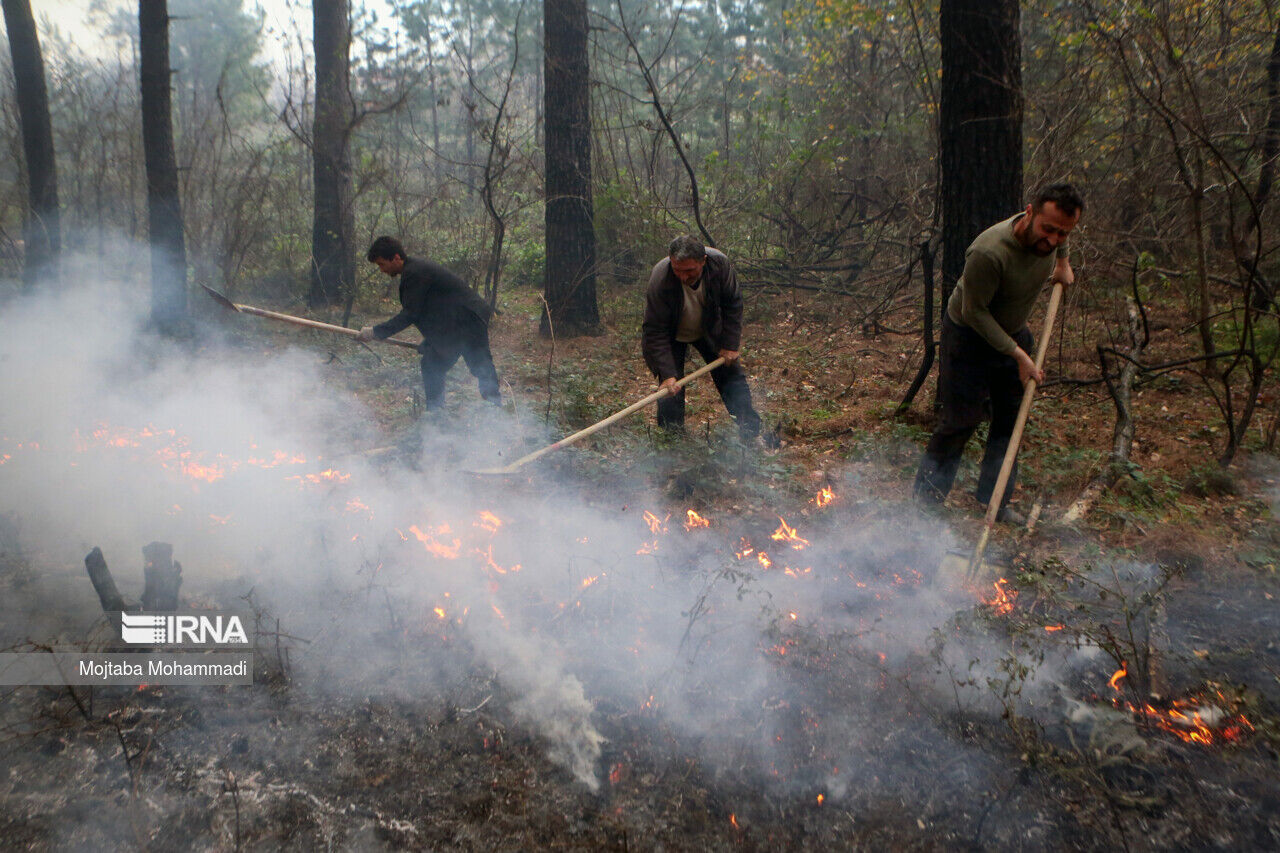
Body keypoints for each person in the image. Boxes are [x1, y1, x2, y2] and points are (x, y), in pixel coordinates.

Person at [912, 184, 1084, 522]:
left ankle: (995, 500)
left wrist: (1063, 261)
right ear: (1029, 213)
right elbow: (974, 312)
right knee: (960, 421)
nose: (1052, 239)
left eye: (1062, 233)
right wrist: (1018, 356)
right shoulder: (989, 253)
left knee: (1009, 421)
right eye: (1047, 229)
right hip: (968, 337)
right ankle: (926, 505)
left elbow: (1060, 238)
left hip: (1013, 334)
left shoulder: (1055, 239)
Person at [641, 235, 770, 444]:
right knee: (670, 390)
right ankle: (671, 442)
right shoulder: (660, 278)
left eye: (689, 271)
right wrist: (666, 373)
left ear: (703, 261)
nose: (683, 277)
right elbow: (655, 330)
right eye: (677, 270)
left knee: (731, 375)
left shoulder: (719, 265)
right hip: (671, 335)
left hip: (708, 328)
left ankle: (750, 432)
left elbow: (733, 304)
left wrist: (729, 345)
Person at [357, 236, 501, 410]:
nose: (381, 270)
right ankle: (435, 416)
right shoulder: (413, 270)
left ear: (396, 257)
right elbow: (431, 310)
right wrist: (432, 340)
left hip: (468, 321)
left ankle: (497, 412)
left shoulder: (415, 273)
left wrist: (375, 332)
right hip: (453, 324)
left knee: (481, 367)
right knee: (432, 363)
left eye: (382, 264)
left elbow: (410, 313)